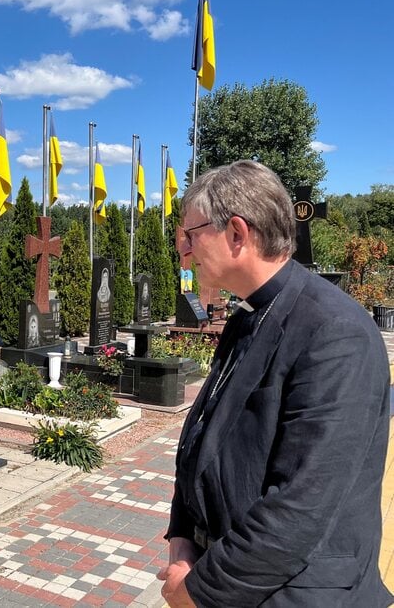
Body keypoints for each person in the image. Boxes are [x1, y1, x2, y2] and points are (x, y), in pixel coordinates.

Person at [159, 160, 391, 607]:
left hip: (292, 594)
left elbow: (302, 505)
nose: (183, 250)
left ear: (238, 234)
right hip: (227, 573)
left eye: (190, 234)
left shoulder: (334, 332)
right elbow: (203, 439)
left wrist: (199, 591)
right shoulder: (247, 316)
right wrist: (183, 536)